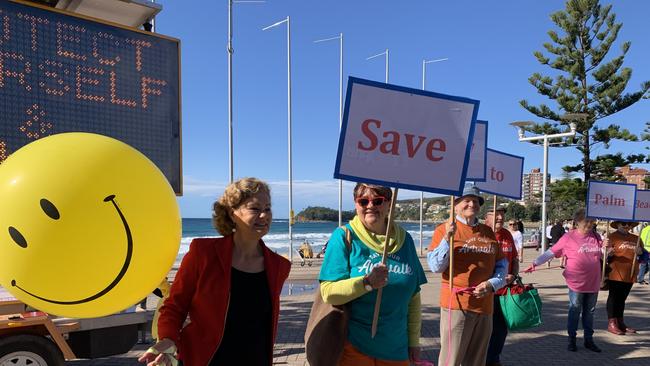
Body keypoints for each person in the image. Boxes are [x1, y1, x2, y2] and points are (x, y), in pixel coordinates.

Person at [138, 178, 291, 366]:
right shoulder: (203, 254)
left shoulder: (279, 266)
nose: (264, 215)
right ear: (232, 213)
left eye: (267, 208)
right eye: (255, 208)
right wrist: (168, 340)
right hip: (205, 361)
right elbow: (174, 307)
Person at [319, 182, 427, 366]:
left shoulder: (405, 240)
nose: (370, 206)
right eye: (363, 201)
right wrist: (367, 283)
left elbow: (414, 297)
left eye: (378, 201)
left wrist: (414, 341)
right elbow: (328, 292)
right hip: (353, 347)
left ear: (389, 204)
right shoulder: (344, 236)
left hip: (396, 349)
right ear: (356, 204)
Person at [428, 185, 507, 366]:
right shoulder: (443, 229)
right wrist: (447, 239)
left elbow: (502, 264)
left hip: (485, 306)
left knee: (477, 361)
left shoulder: (488, 232)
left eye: (476, 201)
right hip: (457, 305)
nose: (472, 204)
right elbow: (435, 266)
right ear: (455, 205)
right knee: (452, 360)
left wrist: (492, 283)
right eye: (466, 200)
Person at [525, 208, 608, 353]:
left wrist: (606, 248)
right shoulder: (569, 237)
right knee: (574, 310)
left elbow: (602, 255)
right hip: (576, 282)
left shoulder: (596, 236)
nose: (589, 224)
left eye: (591, 221)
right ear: (577, 222)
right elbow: (552, 252)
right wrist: (535, 263)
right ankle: (572, 339)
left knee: (590, 312)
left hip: (593, 281)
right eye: (586, 221)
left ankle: (589, 340)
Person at [485, 206, 519, 366]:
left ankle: (494, 358)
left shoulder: (507, 234)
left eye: (502, 215)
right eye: (496, 215)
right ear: (487, 217)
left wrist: (514, 275)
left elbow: (515, 259)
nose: (500, 218)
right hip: (487, 291)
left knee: (501, 329)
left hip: (505, 291)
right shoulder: (483, 233)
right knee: (485, 329)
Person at [606, 221, 642, 335]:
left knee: (622, 299)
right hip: (615, 272)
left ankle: (620, 323)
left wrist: (640, 252)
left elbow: (644, 255)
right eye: (624, 224)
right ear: (617, 225)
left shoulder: (636, 238)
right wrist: (609, 253)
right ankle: (612, 323)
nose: (627, 226)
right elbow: (604, 255)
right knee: (614, 298)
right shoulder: (611, 237)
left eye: (629, 224)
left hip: (630, 273)